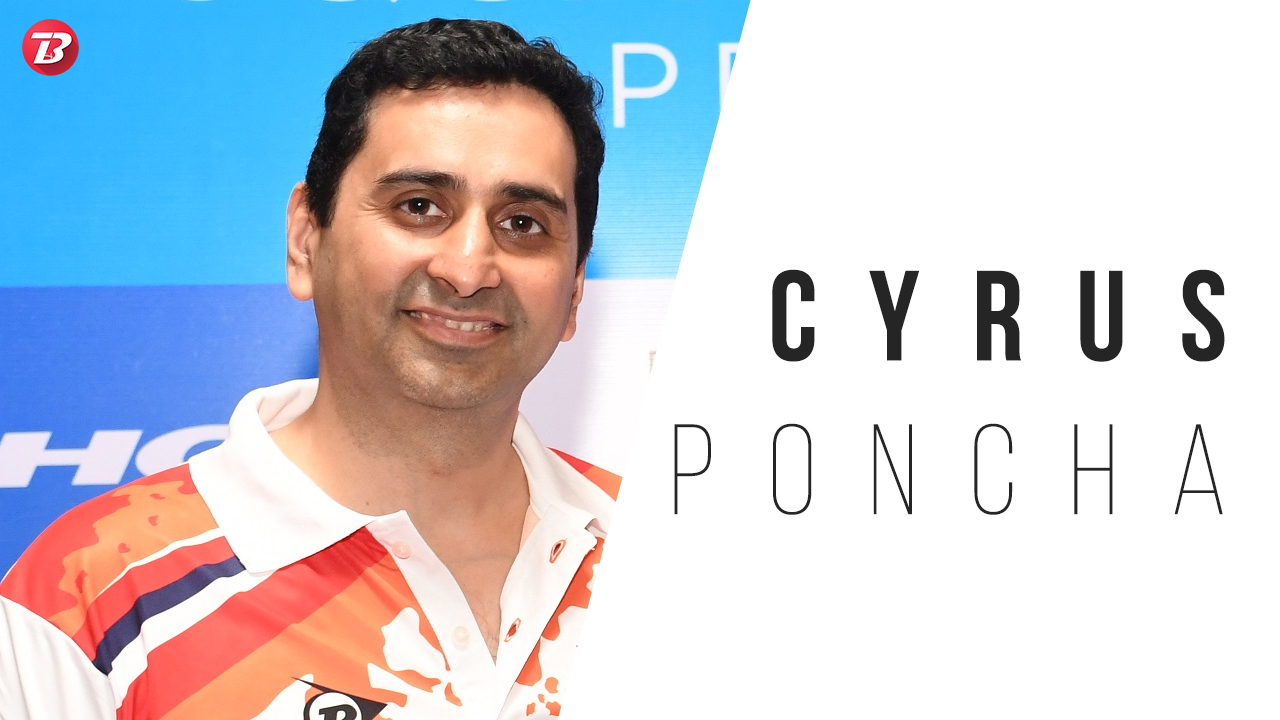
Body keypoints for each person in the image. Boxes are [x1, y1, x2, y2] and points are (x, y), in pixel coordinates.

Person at [0, 18, 617, 720]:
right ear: (305, 241)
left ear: (573, 290)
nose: (468, 268)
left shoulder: (677, 552)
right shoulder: (90, 597)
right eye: (419, 207)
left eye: (523, 223)